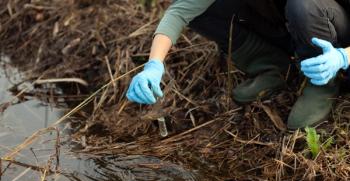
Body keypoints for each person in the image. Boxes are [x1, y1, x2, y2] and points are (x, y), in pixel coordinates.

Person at [126, 0, 350, 129]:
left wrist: (343, 57)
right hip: (285, 28)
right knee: (205, 11)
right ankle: (273, 66)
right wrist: (153, 65)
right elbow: (179, 12)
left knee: (304, 6)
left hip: (332, 32)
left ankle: (322, 83)